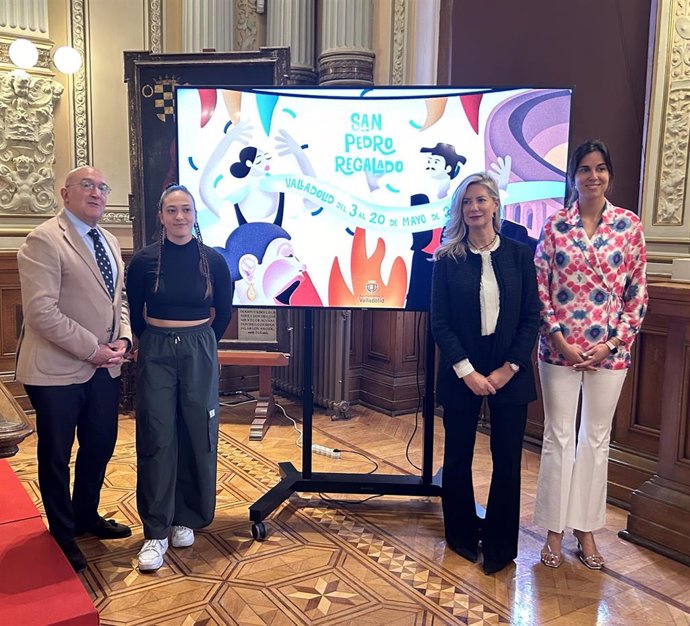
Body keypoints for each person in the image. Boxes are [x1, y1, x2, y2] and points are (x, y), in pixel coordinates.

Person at [533, 140, 648, 570]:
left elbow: (637, 294)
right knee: (557, 437)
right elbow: (539, 287)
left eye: (600, 169)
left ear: (610, 175)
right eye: (584, 169)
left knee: (596, 441)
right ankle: (553, 530)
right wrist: (559, 337)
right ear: (572, 176)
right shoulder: (555, 226)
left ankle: (586, 530)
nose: (592, 176)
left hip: (609, 354)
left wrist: (612, 343)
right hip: (558, 349)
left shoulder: (629, 226)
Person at [16, 166, 132, 573]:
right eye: (87, 185)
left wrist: (124, 340)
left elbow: (119, 301)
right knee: (56, 457)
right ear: (65, 194)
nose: (97, 192)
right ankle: (62, 536)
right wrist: (93, 350)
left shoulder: (110, 240)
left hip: (105, 368)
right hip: (56, 372)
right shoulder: (44, 240)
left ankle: (87, 516)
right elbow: (41, 313)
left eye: (103, 186)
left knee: (99, 447)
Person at [431, 172, 539, 575]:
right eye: (466, 202)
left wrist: (509, 368)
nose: (474, 208)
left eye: (481, 200)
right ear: (460, 210)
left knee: (507, 460)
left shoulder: (519, 255)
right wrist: (468, 372)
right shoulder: (446, 259)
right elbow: (440, 323)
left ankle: (499, 547)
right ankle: (460, 537)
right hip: (463, 370)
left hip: (509, 369)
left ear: (495, 204)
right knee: (457, 458)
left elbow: (531, 317)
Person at [126, 184, 233, 572]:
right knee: (156, 433)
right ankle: (155, 530)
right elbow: (136, 311)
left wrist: (200, 342)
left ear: (194, 214)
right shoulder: (144, 260)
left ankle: (185, 517)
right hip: (155, 348)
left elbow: (223, 310)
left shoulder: (214, 261)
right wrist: (154, 339)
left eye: (185, 209)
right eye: (171, 210)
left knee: (196, 430)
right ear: (161, 216)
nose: (179, 217)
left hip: (198, 348)